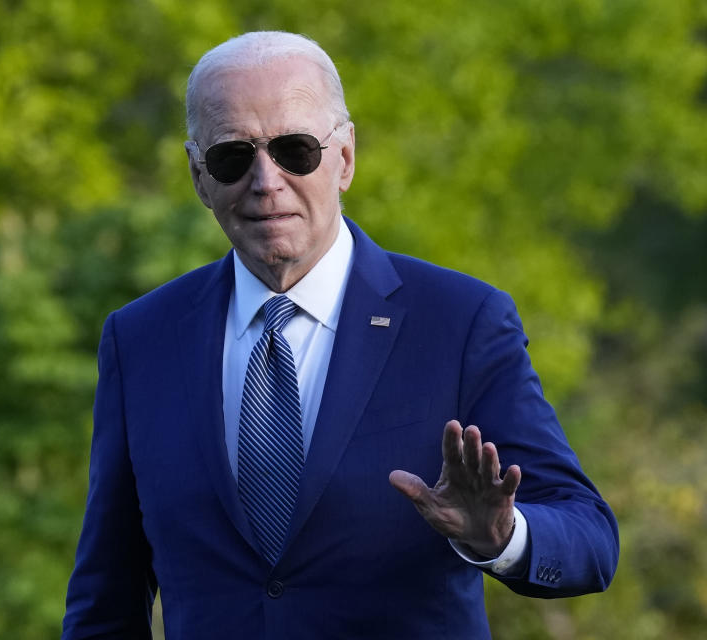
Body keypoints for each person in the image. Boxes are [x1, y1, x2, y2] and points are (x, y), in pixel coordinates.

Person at [62, 31, 618, 639]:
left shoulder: (459, 322)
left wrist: (502, 538)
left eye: (295, 149)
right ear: (199, 176)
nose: (265, 181)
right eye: (232, 157)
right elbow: (106, 600)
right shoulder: (142, 338)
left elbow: (589, 539)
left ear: (345, 158)